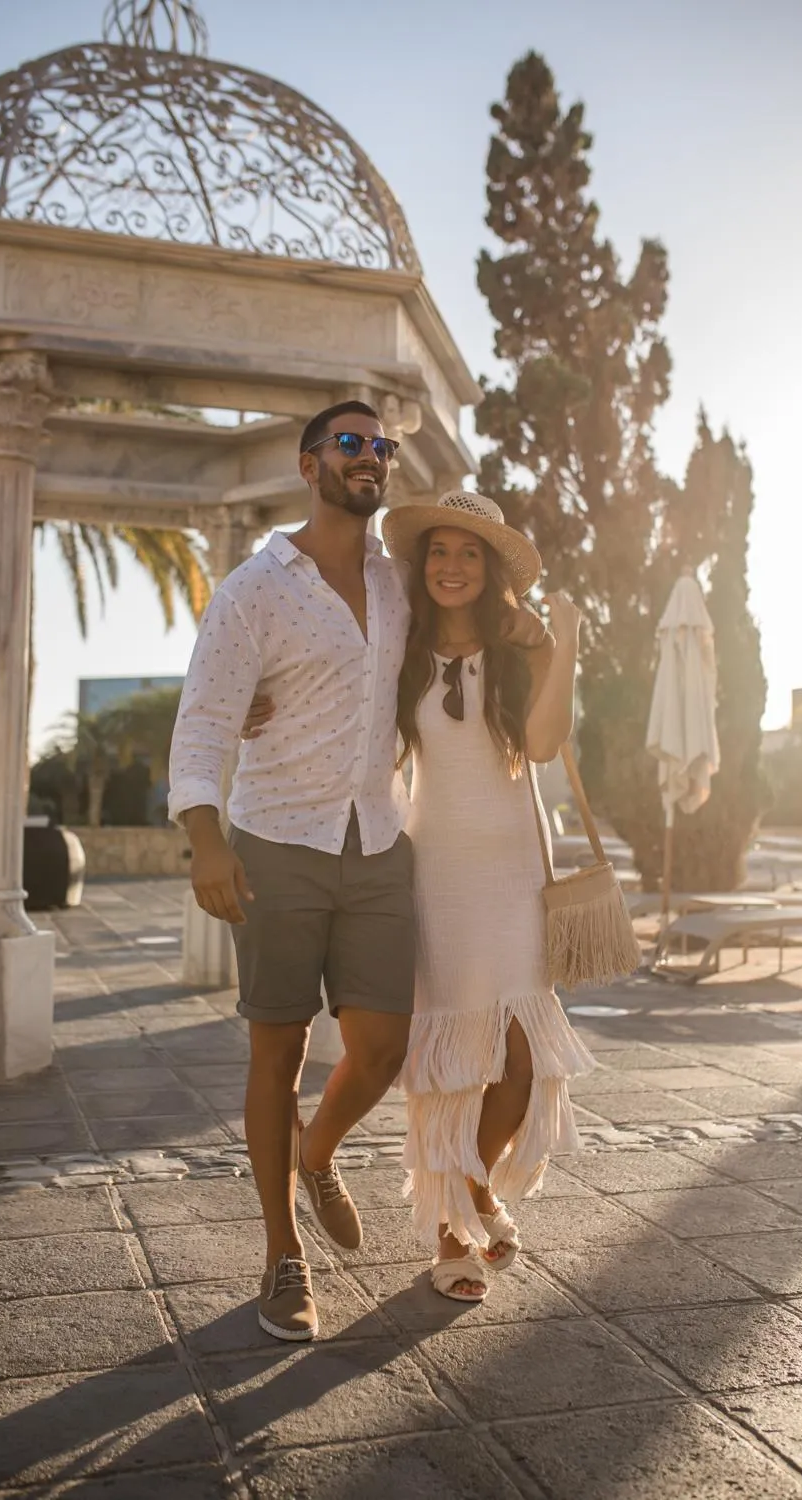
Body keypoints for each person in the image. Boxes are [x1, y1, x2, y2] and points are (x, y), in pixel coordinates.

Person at [168, 403, 546, 1341]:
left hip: (380, 843)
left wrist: (535, 629)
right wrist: (205, 838)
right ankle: (281, 1260)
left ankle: (319, 1150)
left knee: (383, 1048)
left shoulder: (400, 584)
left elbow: (468, 617)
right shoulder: (254, 588)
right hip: (276, 840)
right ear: (309, 464)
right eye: (350, 444)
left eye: (382, 447)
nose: (370, 457)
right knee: (278, 1051)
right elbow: (206, 718)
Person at [380, 491, 595, 1301]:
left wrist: (564, 641)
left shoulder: (521, 650)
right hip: (435, 870)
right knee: (445, 1058)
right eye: (439, 551)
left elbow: (541, 744)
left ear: (492, 568)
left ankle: (470, 1189)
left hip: (512, 873)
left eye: (469, 553)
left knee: (521, 1053)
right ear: (422, 564)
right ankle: (450, 1236)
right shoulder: (400, 651)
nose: (451, 566)